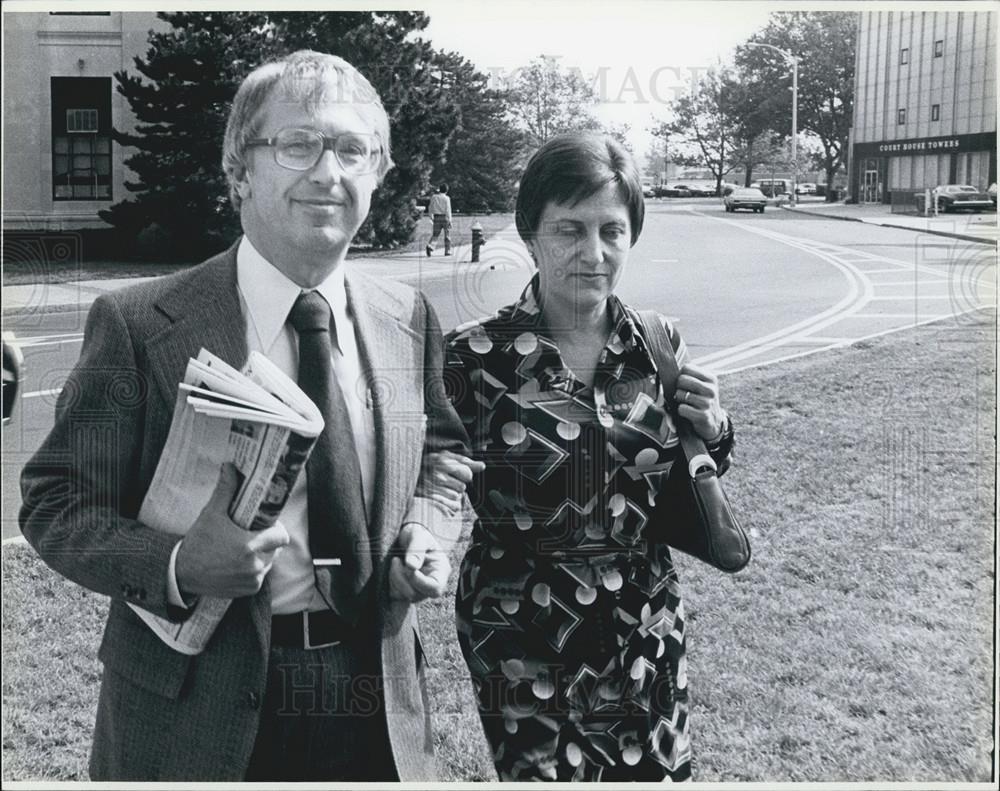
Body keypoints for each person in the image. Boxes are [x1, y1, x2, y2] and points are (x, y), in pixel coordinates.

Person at [19, 50, 470, 782]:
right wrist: (174, 564)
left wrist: (428, 524)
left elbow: (444, 454)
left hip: (372, 701)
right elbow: (55, 502)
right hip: (194, 714)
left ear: (379, 174)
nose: (328, 171)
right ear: (240, 171)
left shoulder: (407, 317)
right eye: (298, 145)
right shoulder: (140, 324)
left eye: (353, 149)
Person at [434, 133, 735, 780]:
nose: (592, 253)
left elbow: (683, 469)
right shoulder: (470, 360)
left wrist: (715, 428)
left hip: (643, 625)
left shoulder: (655, 343)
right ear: (530, 232)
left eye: (612, 231)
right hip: (521, 633)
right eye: (569, 229)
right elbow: (428, 487)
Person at [425, 183, 452, 256]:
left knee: (435, 234)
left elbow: (430, 207)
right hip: (445, 217)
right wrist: (450, 220)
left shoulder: (434, 197)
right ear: (446, 191)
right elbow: (448, 210)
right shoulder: (447, 198)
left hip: (436, 217)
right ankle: (447, 251)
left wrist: (431, 216)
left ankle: (430, 246)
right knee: (447, 235)